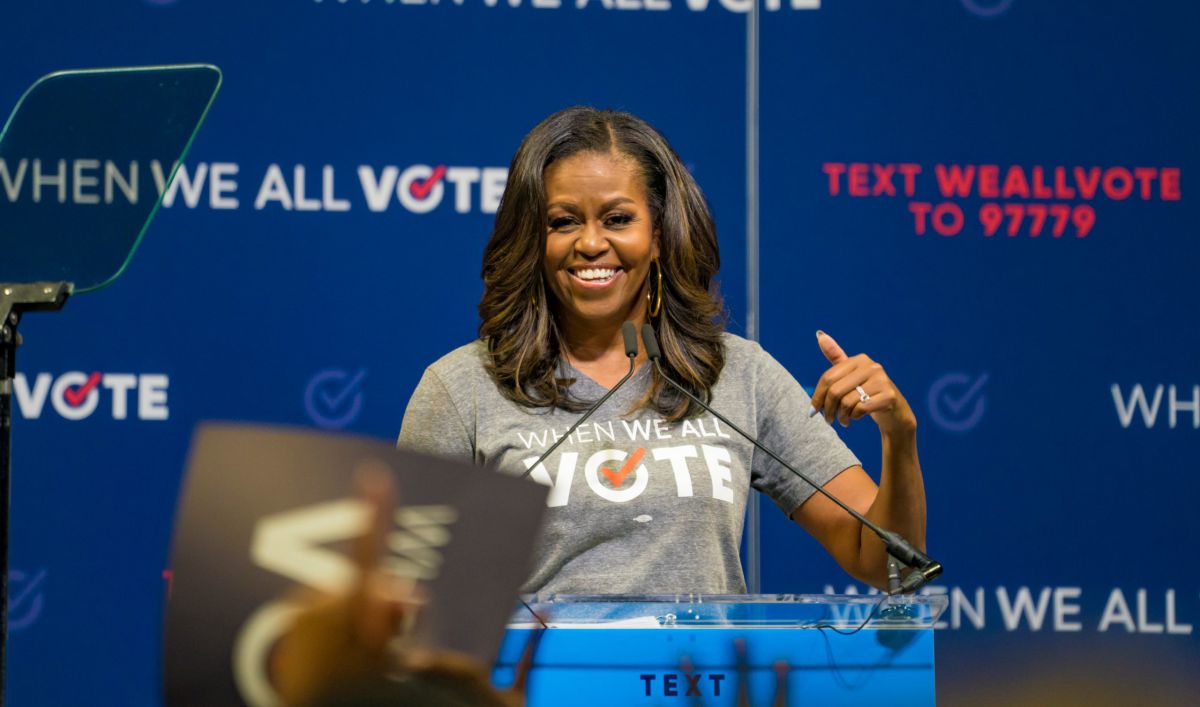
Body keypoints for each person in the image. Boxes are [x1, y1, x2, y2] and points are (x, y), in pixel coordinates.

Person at [398, 106, 926, 595]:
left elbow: (890, 567)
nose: (589, 243)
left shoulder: (737, 374)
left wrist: (898, 437)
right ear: (534, 239)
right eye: (563, 221)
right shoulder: (462, 388)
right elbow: (405, 597)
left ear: (658, 235)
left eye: (617, 219)